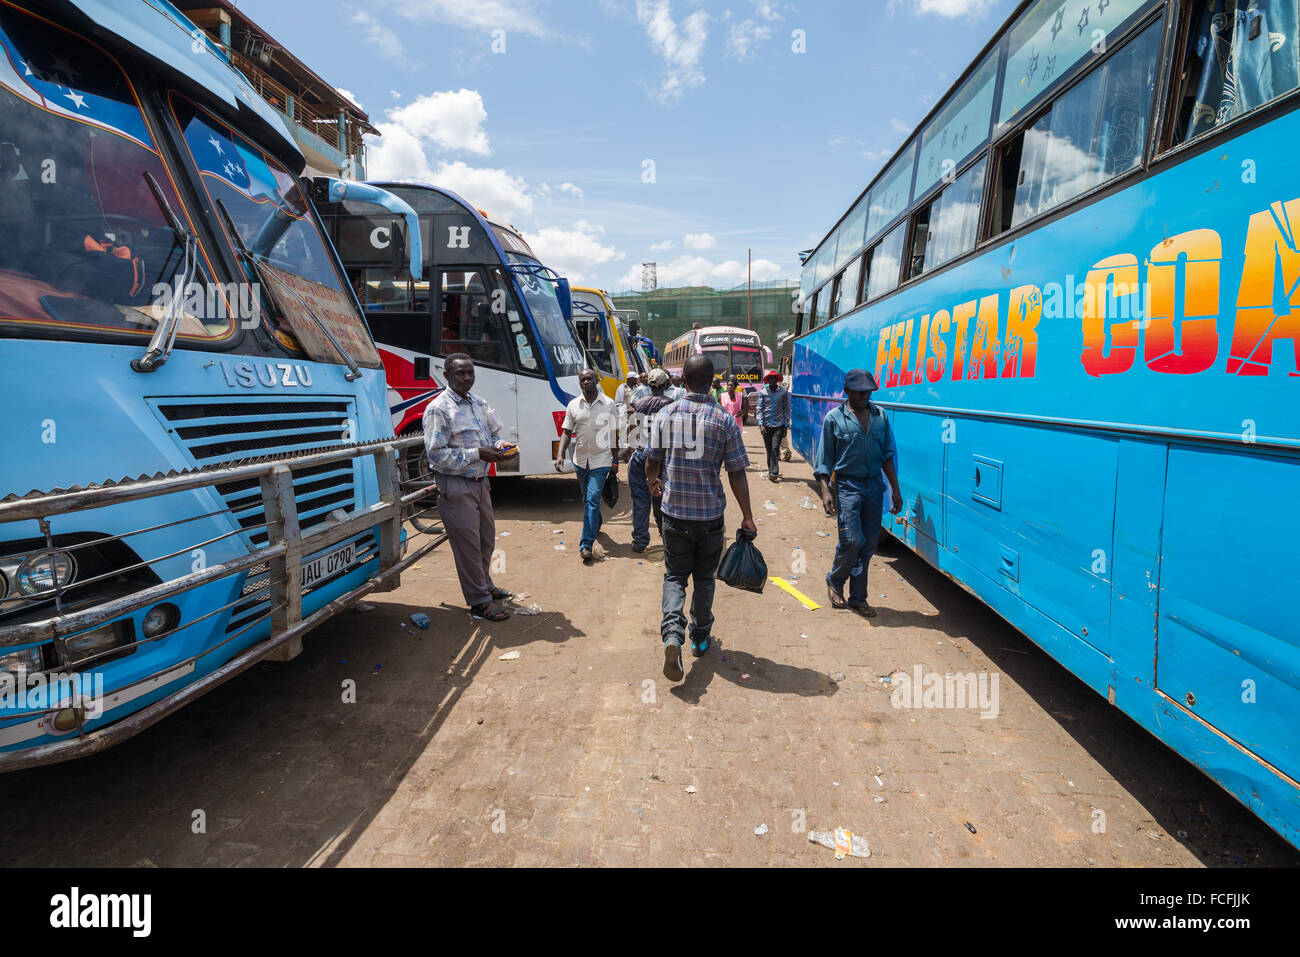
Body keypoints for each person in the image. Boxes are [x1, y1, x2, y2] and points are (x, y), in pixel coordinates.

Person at [646, 354, 756, 681]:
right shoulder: (723, 420)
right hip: (710, 519)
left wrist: (654, 482)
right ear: (713, 383)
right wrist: (748, 516)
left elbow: (651, 460)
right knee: (704, 579)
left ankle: (671, 636)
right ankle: (700, 636)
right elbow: (737, 472)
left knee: (675, 576)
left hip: (674, 516)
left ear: (682, 382)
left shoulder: (665, 414)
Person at [424, 354, 518, 621]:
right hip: (455, 484)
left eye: (470, 373)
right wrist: (478, 454)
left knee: (486, 540)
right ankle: (479, 601)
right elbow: (435, 455)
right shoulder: (438, 409)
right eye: (460, 374)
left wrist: (502, 448)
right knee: (468, 547)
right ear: (447, 376)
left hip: (480, 482)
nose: (466, 378)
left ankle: (485, 584)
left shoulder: (479, 402)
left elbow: (494, 436)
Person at [813, 369, 902, 619]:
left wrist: (896, 489)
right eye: (860, 391)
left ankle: (857, 599)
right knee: (852, 541)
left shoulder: (880, 416)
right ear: (847, 391)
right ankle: (835, 579)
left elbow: (887, 455)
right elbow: (824, 461)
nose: (865, 395)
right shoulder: (833, 419)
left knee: (869, 545)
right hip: (847, 487)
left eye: (868, 391)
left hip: (874, 486)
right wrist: (825, 492)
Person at [556, 369, 620, 562]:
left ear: (596, 380)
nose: (586, 382)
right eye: (582, 380)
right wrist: (560, 455)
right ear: (579, 383)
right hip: (580, 461)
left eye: (589, 379)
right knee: (587, 501)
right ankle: (596, 522)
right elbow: (566, 432)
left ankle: (586, 544)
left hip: (601, 461)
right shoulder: (573, 405)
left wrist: (615, 460)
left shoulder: (609, 404)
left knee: (592, 501)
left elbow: (613, 435)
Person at [626, 368, 674, 552]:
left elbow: (634, 427)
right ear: (665, 385)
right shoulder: (669, 404)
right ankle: (666, 536)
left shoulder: (639, 404)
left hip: (640, 454)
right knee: (663, 498)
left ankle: (640, 540)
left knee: (640, 499)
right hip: (661, 457)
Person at [755, 370, 792, 482]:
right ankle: (771, 469)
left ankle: (774, 472)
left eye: (774, 379)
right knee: (769, 449)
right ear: (767, 380)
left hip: (779, 425)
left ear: (777, 380)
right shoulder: (763, 392)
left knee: (775, 448)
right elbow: (759, 409)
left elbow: (786, 409)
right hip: (766, 426)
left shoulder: (783, 392)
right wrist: (761, 424)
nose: (772, 381)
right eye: (770, 379)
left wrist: (786, 425)